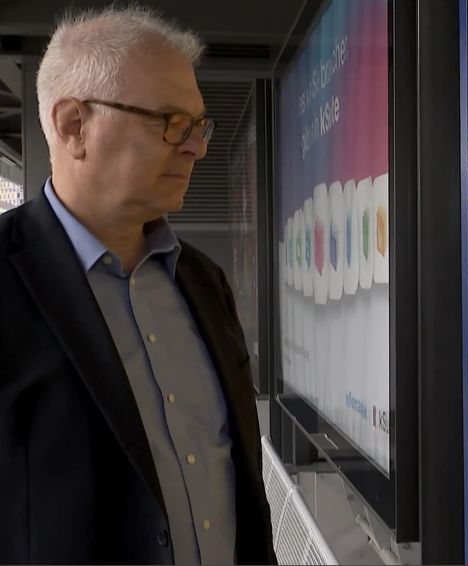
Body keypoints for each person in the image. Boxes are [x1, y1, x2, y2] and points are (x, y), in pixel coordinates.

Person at [0, 6, 274, 564]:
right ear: (75, 125)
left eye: (199, 127)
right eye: (171, 122)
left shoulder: (203, 281)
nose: (196, 147)